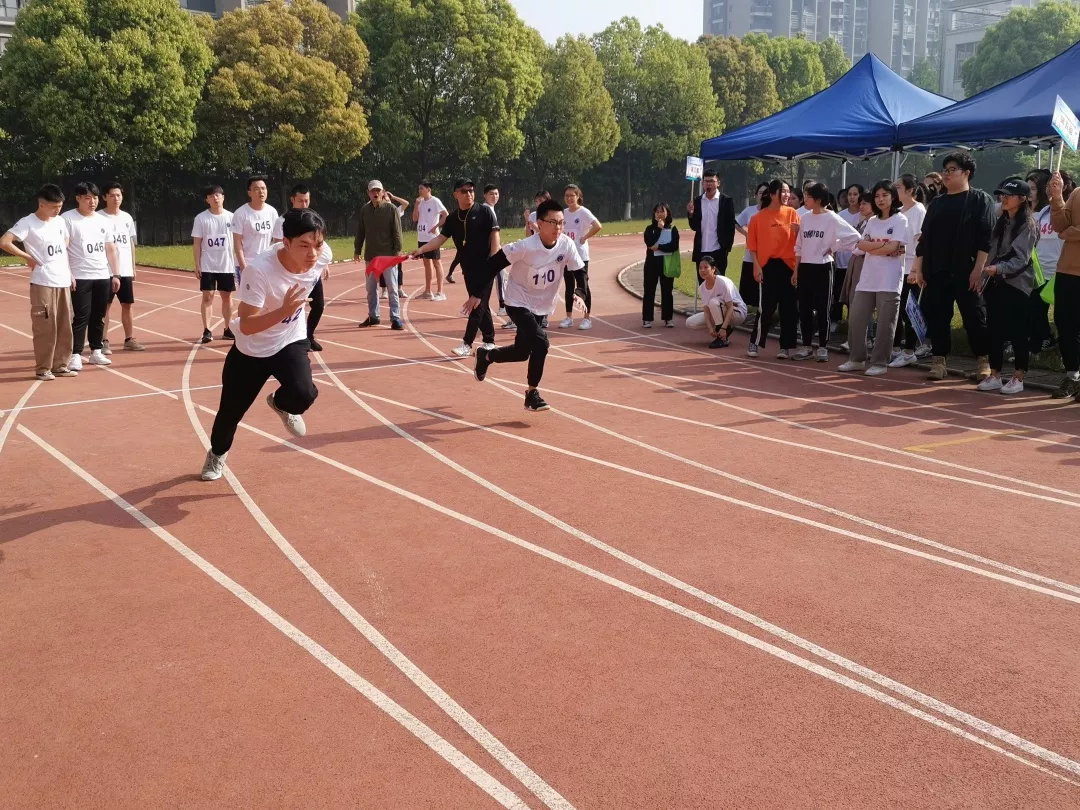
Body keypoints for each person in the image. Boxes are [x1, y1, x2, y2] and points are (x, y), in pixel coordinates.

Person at [200, 209, 328, 482]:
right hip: (252, 349)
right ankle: (217, 453)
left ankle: (281, 403)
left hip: (289, 339)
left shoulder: (321, 255)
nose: (313, 254)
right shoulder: (259, 271)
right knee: (230, 414)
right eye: (304, 246)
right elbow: (246, 324)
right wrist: (284, 310)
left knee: (304, 394)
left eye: (317, 245)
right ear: (286, 243)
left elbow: (318, 259)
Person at [470, 199, 586, 412]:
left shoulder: (566, 244)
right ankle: (532, 394)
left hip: (542, 304)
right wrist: (477, 294)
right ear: (540, 223)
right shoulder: (524, 247)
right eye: (553, 222)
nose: (558, 228)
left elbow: (580, 272)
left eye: (561, 223)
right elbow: (492, 265)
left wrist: (580, 292)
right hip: (517, 301)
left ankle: (486, 356)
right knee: (541, 342)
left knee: (522, 352)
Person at [911, 153, 994, 382]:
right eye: (945, 169)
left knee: (974, 317)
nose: (946, 174)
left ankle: (983, 360)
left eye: (952, 169)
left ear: (966, 173)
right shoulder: (937, 203)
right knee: (938, 317)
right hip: (937, 270)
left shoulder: (980, 200)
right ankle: (939, 361)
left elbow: (986, 239)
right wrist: (919, 268)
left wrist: (978, 270)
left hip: (967, 271)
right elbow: (924, 239)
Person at [410, 178, 500, 356]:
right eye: (464, 191)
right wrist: (421, 250)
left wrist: (493, 263)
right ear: (455, 194)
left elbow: (495, 239)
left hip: (486, 267)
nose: (469, 194)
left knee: (475, 304)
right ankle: (489, 341)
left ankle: (467, 343)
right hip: (468, 269)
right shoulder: (453, 218)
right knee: (481, 304)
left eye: (471, 190)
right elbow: (439, 239)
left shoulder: (485, 212)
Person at [0, 184, 77, 380]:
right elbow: (5, 241)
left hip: (62, 281)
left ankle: (61, 365)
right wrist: (28, 257)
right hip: (43, 281)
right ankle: (43, 368)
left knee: (65, 325)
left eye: (60, 206)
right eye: (54, 207)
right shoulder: (28, 223)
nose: (58, 210)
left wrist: (69, 273)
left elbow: (65, 245)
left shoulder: (60, 222)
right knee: (46, 326)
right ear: (42, 204)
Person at [839, 181, 908, 377]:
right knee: (856, 319)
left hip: (889, 280)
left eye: (885, 195)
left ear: (893, 197)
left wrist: (875, 247)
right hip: (867, 279)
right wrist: (884, 248)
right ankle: (857, 359)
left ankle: (879, 362)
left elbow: (893, 247)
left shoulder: (900, 220)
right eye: (877, 196)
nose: (880, 199)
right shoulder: (872, 221)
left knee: (885, 324)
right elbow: (862, 245)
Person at [977, 178, 1038, 395]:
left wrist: (998, 268)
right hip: (995, 281)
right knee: (994, 329)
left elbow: (1021, 259)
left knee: (1018, 331)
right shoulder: (1001, 220)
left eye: (1009, 195)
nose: (1004, 199)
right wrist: (985, 273)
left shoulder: (1028, 224)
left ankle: (1018, 377)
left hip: (1017, 284)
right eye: (1002, 195)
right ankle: (995, 374)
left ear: (1022, 198)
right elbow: (991, 250)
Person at [792, 182, 861, 362]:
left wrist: (834, 247)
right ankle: (806, 346)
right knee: (805, 309)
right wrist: (796, 270)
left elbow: (854, 237)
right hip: (805, 267)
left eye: (808, 197)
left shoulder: (832, 218)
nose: (805, 200)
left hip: (823, 267)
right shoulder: (804, 218)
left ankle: (823, 347)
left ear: (818, 199)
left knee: (823, 308)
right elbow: (799, 246)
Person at [64, 181, 121, 370]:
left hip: (102, 275)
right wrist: (68, 273)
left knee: (99, 315)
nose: (92, 202)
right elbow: (63, 248)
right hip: (80, 275)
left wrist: (116, 274)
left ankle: (96, 350)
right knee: (81, 315)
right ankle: (75, 354)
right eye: (87, 198)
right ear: (78, 198)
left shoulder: (103, 221)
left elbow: (110, 248)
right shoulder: (68, 219)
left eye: (95, 198)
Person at [272, 183, 332, 351]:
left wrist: (324, 264)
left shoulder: (312, 217)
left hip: (312, 271)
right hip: (291, 273)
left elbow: (319, 243)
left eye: (307, 200)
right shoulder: (282, 221)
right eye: (300, 201)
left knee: (318, 305)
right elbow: (277, 246)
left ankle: (308, 336)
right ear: (292, 200)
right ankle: (286, 340)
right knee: (293, 307)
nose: (304, 204)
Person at [745, 179, 799, 358]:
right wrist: (756, 266)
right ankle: (755, 342)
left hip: (788, 266)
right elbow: (752, 246)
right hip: (767, 266)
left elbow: (799, 242)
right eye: (783, 191)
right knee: (766, 307)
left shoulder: (792, 214)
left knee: (788, 308)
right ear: (772, 194)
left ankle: (785, 346)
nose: (786, 195)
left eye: (788, 191)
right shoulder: (757, 218)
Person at [888, 175, 929, 367]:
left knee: (910, 310)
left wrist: (915, 270)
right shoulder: (897, 212)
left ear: (910, 190)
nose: (894, 190)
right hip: (896, 266)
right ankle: (896, 348)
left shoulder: (918, 210)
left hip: (911, 268)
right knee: (896, 310)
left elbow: (921, 242)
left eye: (898, 187)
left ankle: (909, 351)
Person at [99, 181, 144, 353]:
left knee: (127, 304)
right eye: (112, 195)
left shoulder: (126, 218)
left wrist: (133, 267)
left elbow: (130, 243)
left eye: (118, 195)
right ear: (104, 197)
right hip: (106, 270)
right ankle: (104, 340)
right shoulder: (98, 218)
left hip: (124, 269)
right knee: (105, 306)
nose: (116, 198)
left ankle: (129, 339)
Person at [355, 179, 405, 331]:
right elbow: (361, 231)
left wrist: (396, 253)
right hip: (371, 256)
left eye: (378, 190)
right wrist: (357, 250)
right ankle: (373, 316)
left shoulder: (391, 209)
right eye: (372, 191)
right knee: (371, 289)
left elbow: (397, 232)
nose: (375, 193)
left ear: (383, 192)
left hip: (388, 256)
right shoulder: (365, 210)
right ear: (368, 193)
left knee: (392, 288)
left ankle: (395, 318)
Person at [191, 185, 236, 344]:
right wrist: (197, 264)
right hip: (208, 264)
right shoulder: (201, 218)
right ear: (207, 200)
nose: (215, 198)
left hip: (226, 264)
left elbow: (238, 241)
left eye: (217, 195)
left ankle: (228, 328)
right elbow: (197, 243)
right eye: (211, 196)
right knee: (207, 296)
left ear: (223, 197)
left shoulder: (232, 217)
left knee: (227, 296)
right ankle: (207, 329)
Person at [1049, 169, 1080, 401]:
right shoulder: (1077, 194)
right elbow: (1059, 226)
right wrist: (1057, 196)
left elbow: (1067, 232)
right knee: (1065, 325)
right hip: (1067, 271)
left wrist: (1070, 233)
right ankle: (1073, 375)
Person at [1027, 170, 1059, 355]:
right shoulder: (1026, 213)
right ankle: (1040, 344)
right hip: (1035, 272)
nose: (1029, 192)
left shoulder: (1052, 212)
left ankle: (1049, 343)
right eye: (1027, 188)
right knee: (1034, 310)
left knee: (1059, 313)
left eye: (1033, 188)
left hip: (1056, 271)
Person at [560, 184, 600, 330]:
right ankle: (569, 317)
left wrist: (585, 237)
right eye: (566, 196)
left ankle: (586, 319)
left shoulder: (583, 212)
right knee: (569, 286)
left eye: (572, 195)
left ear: (578, 196)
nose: (569, 198)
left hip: (581, 256)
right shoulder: (563, 213)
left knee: (583, 286)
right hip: (567, 256)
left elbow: (597, 226)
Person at [686, 255, 747, 348]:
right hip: (718, 310)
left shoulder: (722, 282)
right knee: (690, 322)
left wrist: (723, 328)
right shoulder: (702, 287)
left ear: (713, 269)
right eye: (700, 268)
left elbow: (730, 307)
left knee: (713, 302)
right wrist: (710, 328)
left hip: (737, 313)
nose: (702, 270)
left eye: (706, 267)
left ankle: (722, 338)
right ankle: (724, 329)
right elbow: (706, 311)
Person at [688, 169, 737, 281]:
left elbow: (730, 226)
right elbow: (694, 226)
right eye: (706, 181)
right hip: (701, 250)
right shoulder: (697, 201)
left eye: (711, 181)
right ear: (702, 183)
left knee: (719, 283)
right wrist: (690, 214)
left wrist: (726, 248)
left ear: (718, 183)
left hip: (719, 250)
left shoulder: (726, 201)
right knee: (703, 284)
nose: (708, 184)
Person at [231, 176, 278, 286]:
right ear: (249, 193)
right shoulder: (241, 213)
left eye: (263, 188)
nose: (261, 192)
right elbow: (237, 242)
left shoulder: (272, 212)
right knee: (248, 295)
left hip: (266, 263)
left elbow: (276, 240)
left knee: (267, 294)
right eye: (256, 189)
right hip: (248, 263)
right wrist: (243, 266)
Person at [833, 184, 866, 332]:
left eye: (855, 194)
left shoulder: (866, 215)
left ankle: (855, 326)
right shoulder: (840, 215)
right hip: (841, 263)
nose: (852, 197)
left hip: (858, 263)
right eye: (849, 194)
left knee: (856, 297)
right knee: (838, 294)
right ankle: (835, 321)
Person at [736, 183, 769, 330]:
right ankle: (748, 312)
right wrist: (746, 234)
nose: (763, 195)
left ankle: (763, 313)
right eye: (760, 192)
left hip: (768, 256)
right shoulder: (750, 211)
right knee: (748, 284)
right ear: (756, 195)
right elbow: (736, 223)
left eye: (766, 192)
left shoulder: (772, 211)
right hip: (751, 255)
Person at [642, 203, 679, 328]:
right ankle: (647, 319)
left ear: (667, 213)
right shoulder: (649, 229)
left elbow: (674, 246)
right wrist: (658, 229)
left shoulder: (673, 229)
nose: (659, 214)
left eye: (662, 211)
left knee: (667, 291)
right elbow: (650, 243)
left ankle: (668, 318)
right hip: (651, 264)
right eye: (657, 212)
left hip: (666, 264)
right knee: (649, 291)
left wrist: (659, 247)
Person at [412, 180, 448, 301]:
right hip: (422, 237)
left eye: (422, 188)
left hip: (432, 238)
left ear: (428, 190)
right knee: (426, 264)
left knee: (436, 262)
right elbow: (414, 218)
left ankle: (440, 292)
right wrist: (416, 204)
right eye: (419, 189)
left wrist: (436, 227)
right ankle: (427, 291)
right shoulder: (420, 202)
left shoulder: (435, 201)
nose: (420, 191)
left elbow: (446, 215)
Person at [483, 184, 509, 318]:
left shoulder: (490, 209)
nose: (494, 196)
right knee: (499, 277)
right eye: (491, 194)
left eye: (496, 194)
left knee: (498, 277)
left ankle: (481, 306)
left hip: (492, 249)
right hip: (490, 251)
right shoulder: (486, 210)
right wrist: (497, 250)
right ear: (485, 195)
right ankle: (502, 306)